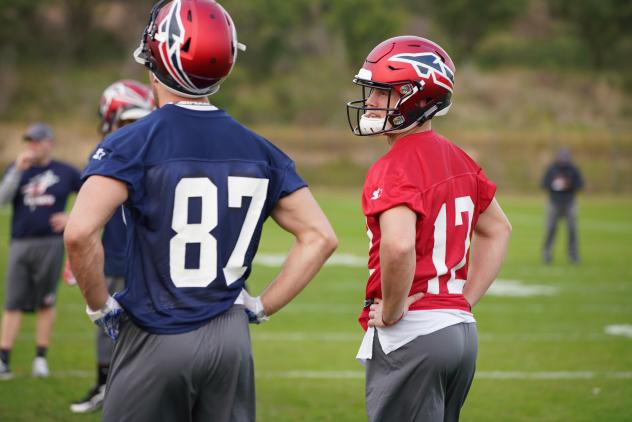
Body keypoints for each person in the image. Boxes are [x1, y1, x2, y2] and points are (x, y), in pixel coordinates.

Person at [63, 1, 337, 421]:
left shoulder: (133, 142)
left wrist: (99, 306)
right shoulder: (260, 148)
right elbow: (320, 237)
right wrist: (262, 306)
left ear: (157, 58)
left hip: (157, 329)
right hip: (231, 338)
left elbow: (80, 233)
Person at [346, 36, 512, 421]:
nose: (370, 101)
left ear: (417, 97)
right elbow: (498, 229)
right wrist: (463, 300)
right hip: (459, 332)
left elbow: (400, 245)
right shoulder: (460, 159)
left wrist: (391, 308)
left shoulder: (393, 167)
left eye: (383, 93)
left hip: (414, 332)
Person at [69, 80, 155, 413]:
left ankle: (111, 387)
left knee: (112, 326)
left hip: (124, 255)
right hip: (148, 257)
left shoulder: (114, 150)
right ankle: (113, 386)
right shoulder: (159, 147)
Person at [0, 122, 82, 380]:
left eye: (37, 141)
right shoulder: (17, 170)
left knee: (46, 302)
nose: (33, 146)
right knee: (12, 302)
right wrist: (16, 171)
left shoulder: (65, 171)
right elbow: (1, 201)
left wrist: (73, 216)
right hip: (21, 243)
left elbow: (93, 193)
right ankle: (3, 360)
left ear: (49, 142)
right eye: (29, 141)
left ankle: (40, 359)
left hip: (51, 243)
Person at [541, 147, 583, 264]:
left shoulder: (573, 170)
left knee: (572, 229)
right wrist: (554, 185)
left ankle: (573, 255)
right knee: (550, 229)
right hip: (554, 202)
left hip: (569, 202)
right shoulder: (552, 169)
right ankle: (547, 254)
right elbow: (544, 183)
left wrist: (569, 185)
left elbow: (580, 185)